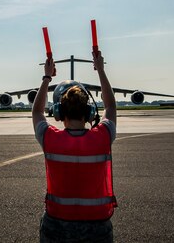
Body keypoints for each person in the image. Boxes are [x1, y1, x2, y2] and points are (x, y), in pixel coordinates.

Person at [32, 50, 117, 243]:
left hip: (57, 225)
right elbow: (111, 107)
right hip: (97, 227)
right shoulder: (102, 137)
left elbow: (37, 111)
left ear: (58, 113)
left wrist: (46, 77)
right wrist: (101, 70)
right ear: (89, 113)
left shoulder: (50, 139)